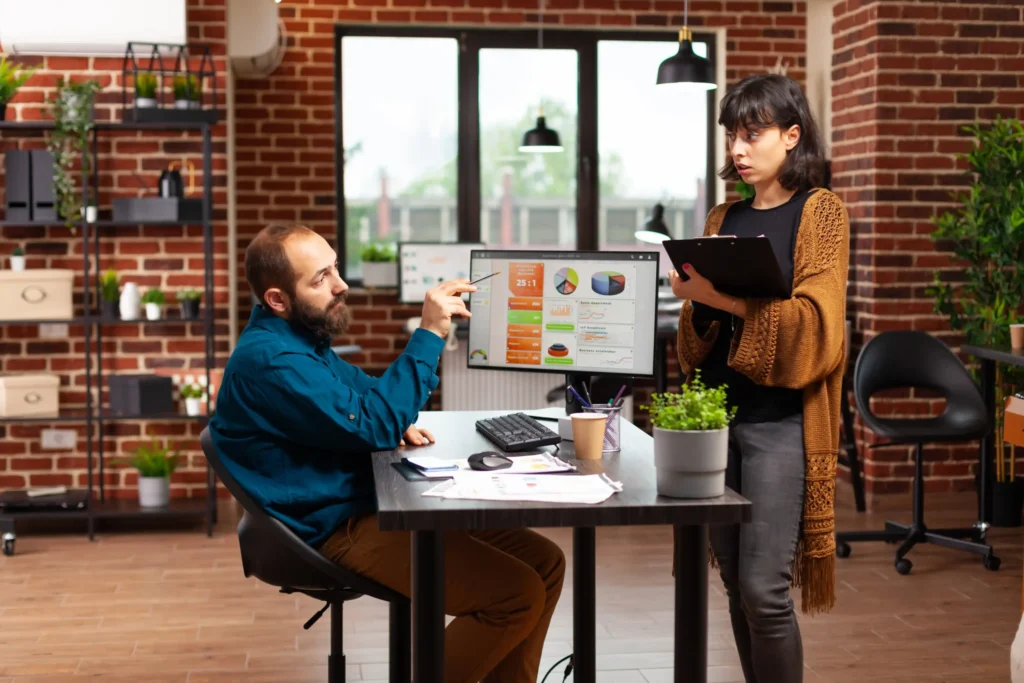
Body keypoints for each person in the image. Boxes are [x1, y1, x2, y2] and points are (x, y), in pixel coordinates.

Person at [210, 224, 565, 683]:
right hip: (336, 525)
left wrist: (394, 415)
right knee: (514, 595)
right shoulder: (273, 360)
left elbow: (368, 400)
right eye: (320, 279)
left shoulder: (299, 340)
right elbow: (374, 423)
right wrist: (431, 331)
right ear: (277, 299)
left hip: (366, 500)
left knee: (546, 562)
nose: (340, 284)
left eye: (335, 266)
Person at [670, 74, 848, 683]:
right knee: (731, 585)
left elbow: (821, 330)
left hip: (782, 423)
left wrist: (724, 297)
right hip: (715, 421)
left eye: (752, 134)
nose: (737, 149)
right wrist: (695, 301)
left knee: (764, 590)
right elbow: (697, 344)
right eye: (731, 137)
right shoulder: (725, 214)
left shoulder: (819, 213)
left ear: (791, 136)